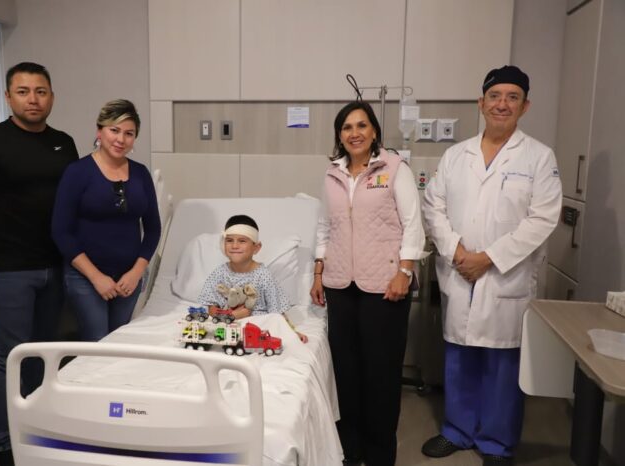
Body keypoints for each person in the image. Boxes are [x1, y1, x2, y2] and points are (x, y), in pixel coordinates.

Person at [421, 66, 562, 466]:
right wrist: (457, 252)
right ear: (481, 103)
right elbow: (433, 206)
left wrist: (488, 259)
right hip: (459, 270)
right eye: (495, 96)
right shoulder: (456, 155)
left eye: (512, 97)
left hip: (505, 276)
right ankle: (457, 430)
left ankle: (497, 443)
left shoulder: (538, 157)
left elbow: (542, 218)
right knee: (459, 355)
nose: (502, 104)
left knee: (502, 364)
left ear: (525, 106)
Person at [0, 62, 79, 466]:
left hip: (55, 267)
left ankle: (36, 426)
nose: (33, 100)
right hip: (9, 270)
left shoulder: (63, 143)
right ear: (8, 97)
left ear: (52, 97)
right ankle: (6, 441)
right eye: (23, 92)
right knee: (12, 355)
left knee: (42, 352)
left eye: (41, 91)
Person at [309, 101, 427, 466]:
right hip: (340, 285)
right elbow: (325, 225)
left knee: (380, 375)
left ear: (374, 130)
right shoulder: (333, 174)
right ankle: (350, 450)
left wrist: (404, 271)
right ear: (339, 135)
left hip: (385, 287)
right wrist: (318, 272)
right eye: (347, 127)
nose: (354, 133)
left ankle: (378, 455)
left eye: (361, 125)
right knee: (346, 372)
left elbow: (413, 223)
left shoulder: (394, 169)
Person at [52, 99, 161, 342]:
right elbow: (61, 231)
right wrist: (96, 277)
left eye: (129, 133)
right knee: (98, 341)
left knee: (120, 340)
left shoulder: (141, 173)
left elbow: (153, 229)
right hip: (85, 277)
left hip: (128, 279)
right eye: (114, 130)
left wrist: (136, 272)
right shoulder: (77, 172)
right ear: (99, 131)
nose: (121, 139)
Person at [198, 214, 308, 343]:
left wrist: (291, 330)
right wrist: (232, 315)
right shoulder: (219, 273)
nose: (234, 246)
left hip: (257, 325)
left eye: (242, 241)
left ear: (256, 247)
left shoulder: (263, 275)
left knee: (274, 322)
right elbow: (211, 308)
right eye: (229, 240)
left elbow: (277, 312)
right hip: (227, 323)